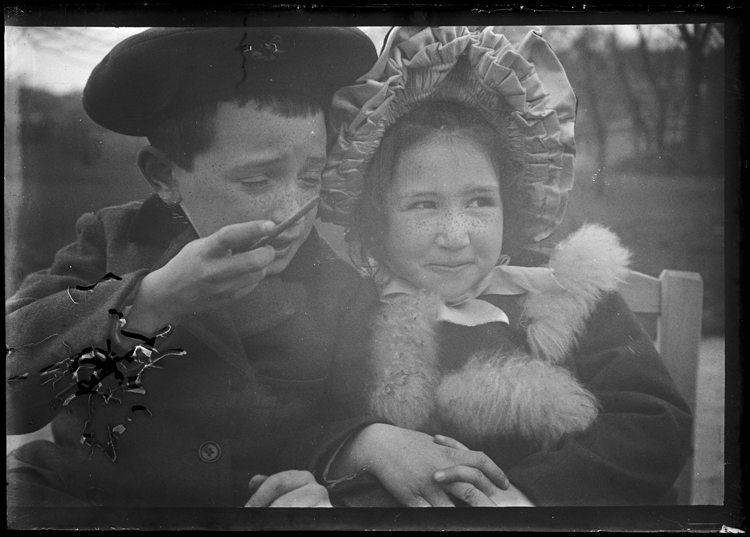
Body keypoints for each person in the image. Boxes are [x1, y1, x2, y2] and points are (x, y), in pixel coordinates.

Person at [5, 26, 382, 512]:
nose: (293, 209)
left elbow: (340, 418)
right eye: (256, 178)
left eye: (312, 177)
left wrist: (339, 463)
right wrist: (155, 299)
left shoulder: (337, 287)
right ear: (165, 177)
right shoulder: (110, 241)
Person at [316, 26, 693, 506]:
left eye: (479, 202)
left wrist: (532, 497)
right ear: (378, 216)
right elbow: (306, 425)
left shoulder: (566, 293)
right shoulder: (350, 310)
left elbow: (655, 422)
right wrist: (363, 444)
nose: (455, 236)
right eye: (423, 205)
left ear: (508, 203)